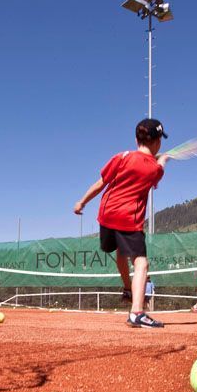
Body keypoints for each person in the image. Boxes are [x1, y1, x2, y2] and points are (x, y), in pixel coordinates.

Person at [74, 118, 172, 328]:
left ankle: (128, 287)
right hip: (129, 218)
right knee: (141, 262)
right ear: (157, 142)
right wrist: (164, 159)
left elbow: (101, 183)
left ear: (137, 139)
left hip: (106, 215)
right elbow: (158, 171)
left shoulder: (122, 157)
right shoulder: (154, 169)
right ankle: (137, 312)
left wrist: (81, 201)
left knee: (120, 252)